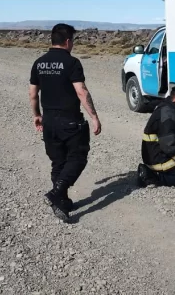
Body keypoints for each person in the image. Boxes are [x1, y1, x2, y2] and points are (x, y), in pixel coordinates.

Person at [28, 23, 102, 223]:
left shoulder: (39, 63)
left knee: (58, 162)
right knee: (78, 157)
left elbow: (33, 94)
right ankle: (56, 192)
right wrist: (94, 116)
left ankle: (62, 202)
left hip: (49, 120)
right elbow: (81, 91)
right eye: (73, 41)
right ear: (68, 41)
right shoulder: (72, 63)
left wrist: (37, 115)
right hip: (69, 120)